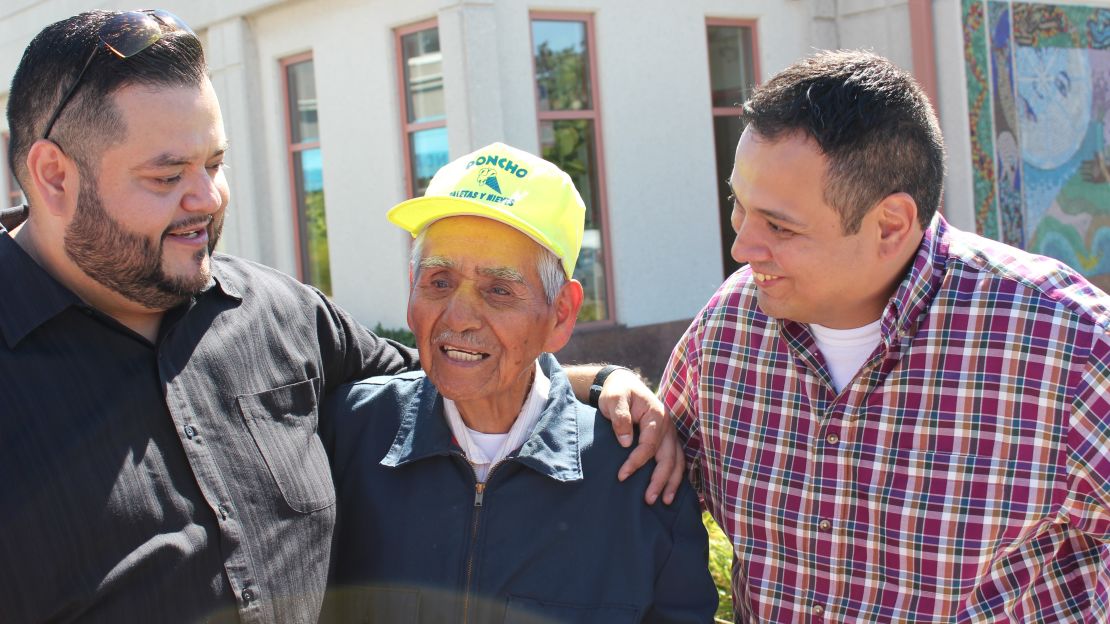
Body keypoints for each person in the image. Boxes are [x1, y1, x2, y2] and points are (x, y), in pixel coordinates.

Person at [0, 11, 677, 623]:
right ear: (55, 176)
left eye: (215, 163)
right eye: (167, 174)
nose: (206, 198)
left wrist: (599, 384)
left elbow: (454, 372)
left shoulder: (282, 317)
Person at [661, 49, 1110, 622]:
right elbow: (633, 487)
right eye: (738, 206)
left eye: (778, 225)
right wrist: (606, 383)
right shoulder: (726, 330)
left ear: (891, 225)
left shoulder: (1065, 345)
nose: (742, 249)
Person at [321, 142, 718, 623]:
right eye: (439, 281)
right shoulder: (346, 437)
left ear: (561, 314)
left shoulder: (638, 480)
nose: (459, 317)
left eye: (499, 290)